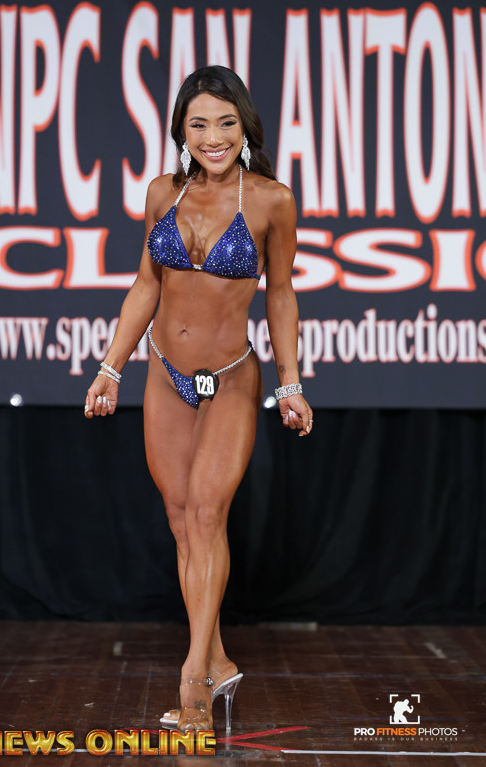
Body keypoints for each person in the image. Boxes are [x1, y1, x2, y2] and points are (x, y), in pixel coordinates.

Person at [84, 65, 313, 734]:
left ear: (246, 128)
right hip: (164, 376)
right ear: (181, 132)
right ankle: (218, 659)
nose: (214, 137)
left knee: (208, 514)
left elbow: (280, 294)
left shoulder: (271, 200)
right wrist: (110, 368)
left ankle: (194, 682)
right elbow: (146, 285)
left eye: (226, 123)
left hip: (232, 379)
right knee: (182, 520)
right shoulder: (163, 191)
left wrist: (291, 382)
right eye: (199, 124)